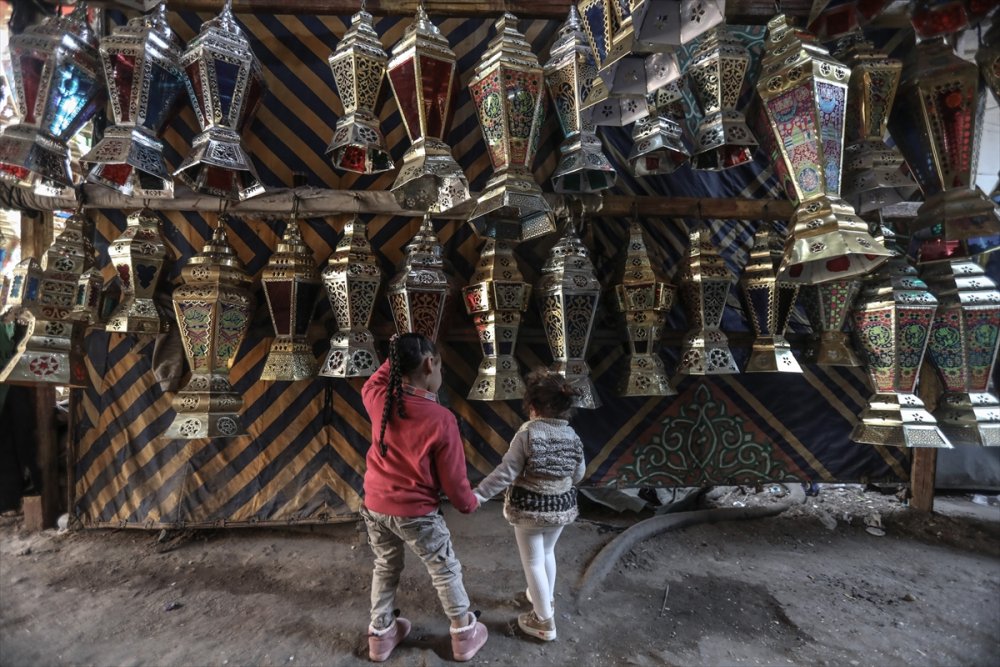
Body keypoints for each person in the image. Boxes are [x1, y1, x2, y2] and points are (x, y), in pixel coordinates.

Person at [359, 332, 488, 662]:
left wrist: (396, 350)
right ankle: (463, 634)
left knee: (385, 566)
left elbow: (377, 379)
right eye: (439, 366)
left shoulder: (377, 399)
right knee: (444, 569)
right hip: (417, 514)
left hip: (374, 507)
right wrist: (469, 503)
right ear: (430, 364)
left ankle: (380, 635)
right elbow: (455, 482)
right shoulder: (441, 419)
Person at [473, 369, 586, 642]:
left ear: (532, 406)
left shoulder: (528, 434)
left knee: (533, 561)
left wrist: (478, 495)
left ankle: (543, 621)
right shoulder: (572, 436)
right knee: (547, 553)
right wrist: (559, 483)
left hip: (529, 510)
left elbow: (506, 473)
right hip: (562, 507)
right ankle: (545, 599)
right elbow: (579, 473)